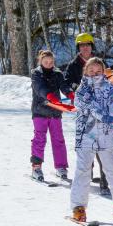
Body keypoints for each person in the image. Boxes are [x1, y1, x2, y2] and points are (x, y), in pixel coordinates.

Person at [70, 57, 113, 222]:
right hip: (86, 136)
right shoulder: (82, 90)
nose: (95, 74)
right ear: (86, 71)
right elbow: (88, 106)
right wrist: (103, 115)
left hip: (107, 136)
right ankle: (78, 207)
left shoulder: (110, 88)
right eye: (91, 71)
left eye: (98, 71)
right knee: (83, 171)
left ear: (103, 72)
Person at [64, 32, 112, 195]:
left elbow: (110, 79)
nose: (85, 48)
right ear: (79, 47)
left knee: (103, 146)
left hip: (102, 110)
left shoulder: (100, 62)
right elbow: (67, 83)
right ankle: (87, 172)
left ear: (92, 46)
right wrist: (73, 93)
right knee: (87, 144)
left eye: (88, 45)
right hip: (84, 111)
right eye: (82, 45)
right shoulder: (73, 65)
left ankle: (105, 181)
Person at [30, 50, 74, 181]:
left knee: (58, 139)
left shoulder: (58, 73)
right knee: (40, 138)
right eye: (46, 62)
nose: (48, 64)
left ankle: (61, 167)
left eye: (51, 62)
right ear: (41, 61)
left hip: (55, 112)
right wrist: (49, 96)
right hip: (40, 111)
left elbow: (64, 86)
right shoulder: (36, 73)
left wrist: (70, 94)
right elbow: (39, 88)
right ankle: (36, 166)